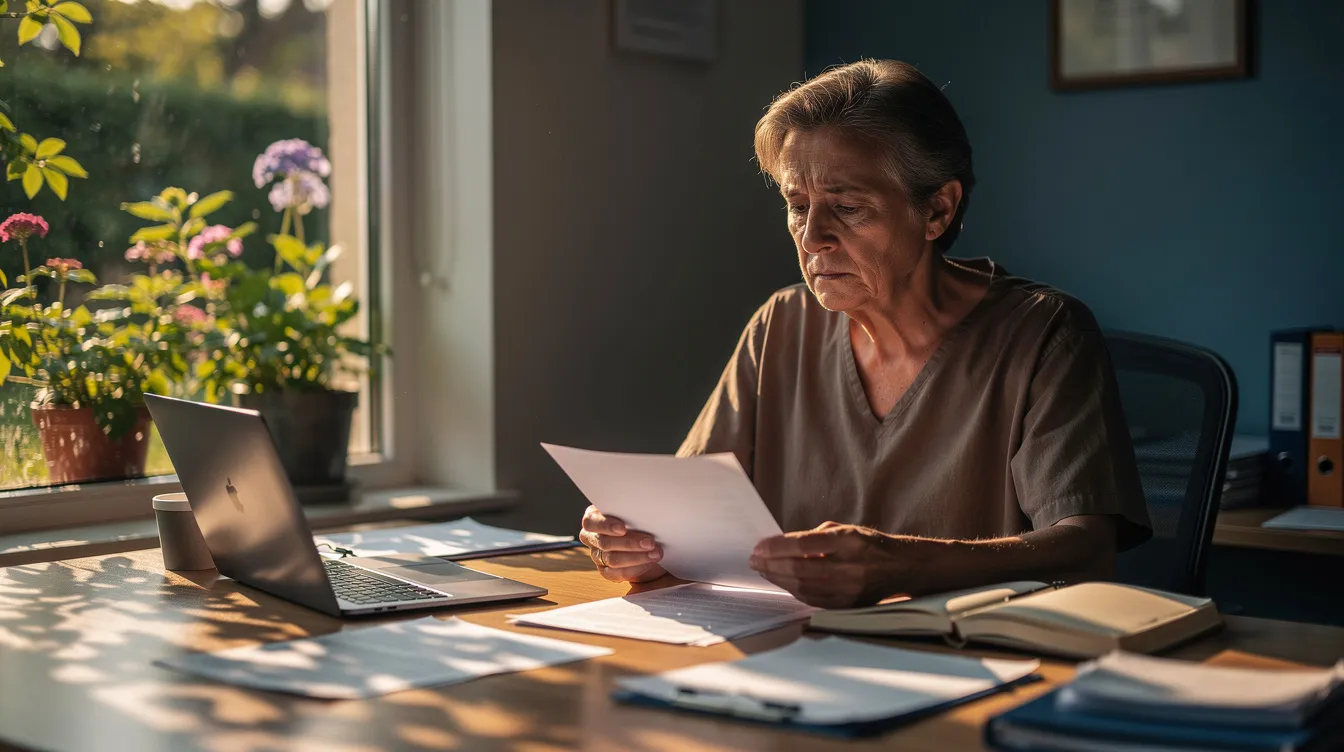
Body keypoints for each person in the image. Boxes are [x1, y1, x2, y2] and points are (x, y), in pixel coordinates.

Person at [579, 59, 1152, 609]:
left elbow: (1085, 546)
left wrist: (904, 566)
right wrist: (635, 544)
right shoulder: (780, 325)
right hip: (792, 655)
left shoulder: (1044, 331)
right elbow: (679, 523)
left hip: (971, 658)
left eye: (847, 207)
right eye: (797, 206)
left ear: (937, 211)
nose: (812, 237)